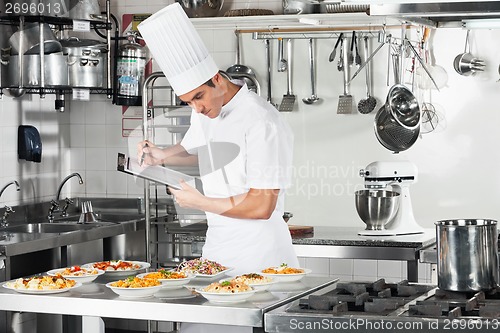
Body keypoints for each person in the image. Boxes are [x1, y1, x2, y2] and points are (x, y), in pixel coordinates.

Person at [138, 4, 299, 332]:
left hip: (261, 260)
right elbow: (201, 152)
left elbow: (262, 205)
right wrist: (161, 155)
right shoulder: (205, 112)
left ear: (216, 79)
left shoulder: (261, 122)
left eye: (198, 97)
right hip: (217, 254)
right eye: (188, 102)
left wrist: (200, 202)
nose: (196, 108)